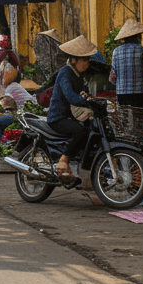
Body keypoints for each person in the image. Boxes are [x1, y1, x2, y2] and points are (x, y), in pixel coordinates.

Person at [47, 35, 98, 179]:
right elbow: (71, 96)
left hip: (72, 116)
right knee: (81, 131)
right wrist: (86, 101)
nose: (87, 63)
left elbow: (84, 94)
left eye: (88, 59)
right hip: (58, 118)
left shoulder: (78, 75)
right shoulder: (66, 73)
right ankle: (64, 159)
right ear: (74, 60)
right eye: (84, 60)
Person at [111, 18, 143, 137]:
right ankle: (141, 144)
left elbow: (112, 77)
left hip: (122, 95)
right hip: (142, 95)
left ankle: (129, 145)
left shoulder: (116, 52)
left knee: (126, 125)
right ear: (138, 37)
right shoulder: (142, 50)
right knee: (141, 124)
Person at [0, 64, 34, 142]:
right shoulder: (13, 86)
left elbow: (2, 104)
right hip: (24, 114)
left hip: (25, 117)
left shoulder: (12, 87)